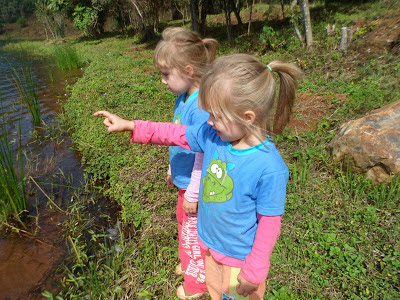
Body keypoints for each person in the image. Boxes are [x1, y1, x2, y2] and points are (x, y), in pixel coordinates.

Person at [94, 53, 303, 299]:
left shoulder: (269, 167)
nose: (209, 122)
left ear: (247, 117)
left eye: (215, 115)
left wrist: (254, 270)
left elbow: (269, 222)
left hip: (240, 262)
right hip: (209, 246)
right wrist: (132, 125)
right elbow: (175, 133)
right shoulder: (214, 136)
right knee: (216, 294)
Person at [154, 27, 219, 299]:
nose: (162, 81)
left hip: (196, 186)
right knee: (184, 223)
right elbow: (179, 139)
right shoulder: (183, 98)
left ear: (189, 70)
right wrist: (172, 168)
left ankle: (197, 285)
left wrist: (192, 191)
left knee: (193, 232)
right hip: (184, 181)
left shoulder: (200, 106)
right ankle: (187, 261)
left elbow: (204, 154)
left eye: (166, 74)